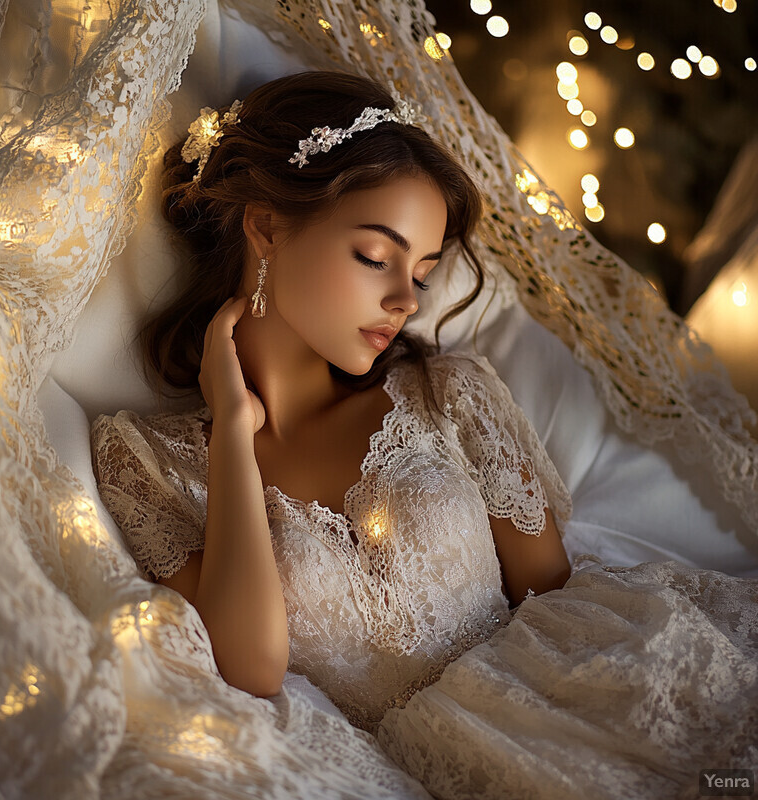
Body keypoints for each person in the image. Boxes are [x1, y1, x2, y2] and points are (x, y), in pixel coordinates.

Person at [91, 70, 757, 798]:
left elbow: (556, 595)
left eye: (423, 270)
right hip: (452, 769)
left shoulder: (452, 393)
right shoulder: (150, 464)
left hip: (602, 695)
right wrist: (231, 437)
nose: (406, 300)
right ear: (266, 227)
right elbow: (251, 667)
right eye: (376, 257)